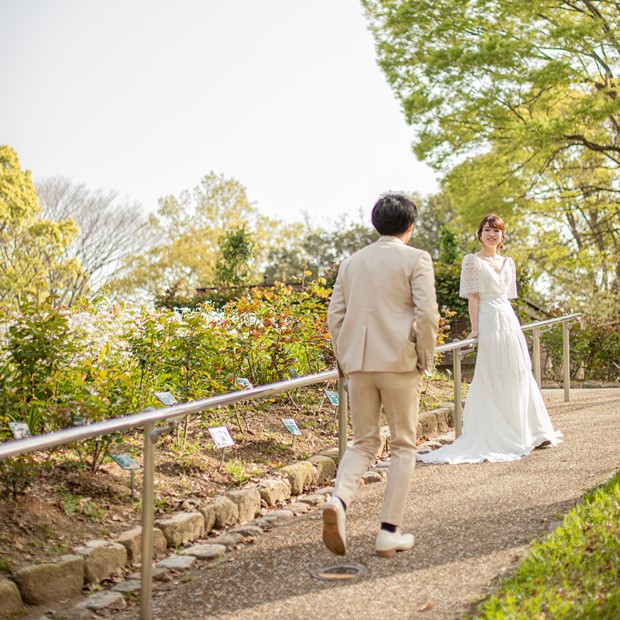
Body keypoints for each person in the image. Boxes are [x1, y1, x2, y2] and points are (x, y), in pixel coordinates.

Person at [323, 193, 439, 558]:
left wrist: (347, 360)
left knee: (364, 442)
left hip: (358, 363)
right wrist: (424, 357)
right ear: (409, 226)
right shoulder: (417, 259)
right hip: (400, 362)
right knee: (404, 445)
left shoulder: (351, 263)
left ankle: (339, 501)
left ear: (376, 223)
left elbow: (335, 317)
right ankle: (389, 531)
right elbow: (427, 316)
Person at [418, 214, 562, 466]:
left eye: (496, 231)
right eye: (486, 230)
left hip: (508, 320)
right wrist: (474, 329)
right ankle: (499, 433)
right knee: (493, 371)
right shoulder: (472, 261)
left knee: (518, 372)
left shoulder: (508, 262)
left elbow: (507, 296)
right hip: (488, 319)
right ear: (480, 234)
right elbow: (474, 298)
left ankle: (531, 431)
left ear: (502, 236)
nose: (491, 234)